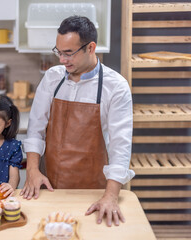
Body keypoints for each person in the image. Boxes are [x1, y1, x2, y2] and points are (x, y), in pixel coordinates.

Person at [20, 16, 135, 227]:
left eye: (69, 53)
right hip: (50, 188)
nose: (62, 60)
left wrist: (110, 196)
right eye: (59, 52)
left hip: (94, 193)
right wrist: (33, 170)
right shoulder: (52, 78)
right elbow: (35, 130)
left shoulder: (116, 87)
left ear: (91, 47)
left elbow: (121, 148)